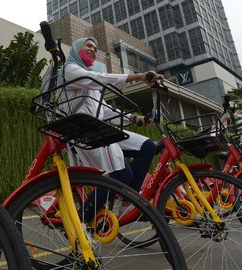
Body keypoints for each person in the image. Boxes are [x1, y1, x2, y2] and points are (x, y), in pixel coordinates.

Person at [60, 37, 164, 223]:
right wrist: (139, 76)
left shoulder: (87, 80)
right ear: (77, 49)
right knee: (121, 175)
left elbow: (105, 109)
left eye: (95, 47)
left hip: (100, 129)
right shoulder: (70, 70)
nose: (93, 49)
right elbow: (100, 78)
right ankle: (82, 219)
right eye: (89, 45)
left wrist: (134, 118)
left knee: (147, 146)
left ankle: (127, 200)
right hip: (84, 131)